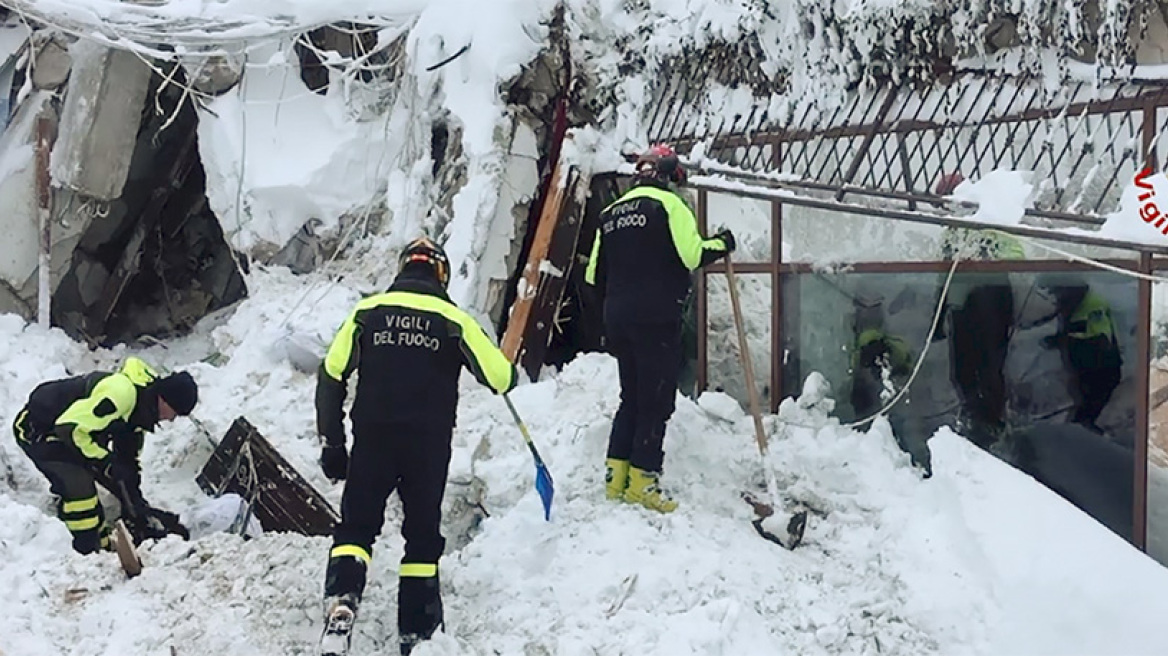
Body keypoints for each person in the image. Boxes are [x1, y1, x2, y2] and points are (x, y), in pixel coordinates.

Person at [314, 236, 517, 656]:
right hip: (427, 443)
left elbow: (331, 374)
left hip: (373, 436)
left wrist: (332, 441)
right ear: (440, 273)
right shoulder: (452, 318)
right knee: (422, 536)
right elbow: (498, 376)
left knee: (356, 528)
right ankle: (418, 633)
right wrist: (510, 378)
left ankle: (343, 603)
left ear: (402, 269)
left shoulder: (367, 312)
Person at [584, 143, 734, 513]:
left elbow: (592, 276)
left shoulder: (610, 213)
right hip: (655, 319)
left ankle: (615, 478)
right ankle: (644, 482)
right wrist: (723, 243)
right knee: (656, 401)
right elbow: (693, 254)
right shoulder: (669, 205)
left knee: (630, 397)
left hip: (617, 318)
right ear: (668, 177)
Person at [11, 357, 197, 554]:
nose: (172, 419)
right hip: (39, 429)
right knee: (80, 485)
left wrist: (137, 505)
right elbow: (69, 429)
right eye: (175, 412)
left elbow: (126, 460)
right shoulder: (121, 395)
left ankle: (118, 532)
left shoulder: (142, 407)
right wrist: (105, 462)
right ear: (165, 399)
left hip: (79, 432)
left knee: (116, 476)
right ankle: (89, 548)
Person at [1032, 278, 1122, 433]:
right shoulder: (1076, 301)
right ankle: (1082, 426)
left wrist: (1056, 340)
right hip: (1091, 360)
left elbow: (1091, 334)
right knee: (1086, 398)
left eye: (1057, 292)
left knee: (1091, 398)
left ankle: (1082, 428)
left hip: (1099, 361)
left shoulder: (1091, 304)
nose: (1056, 298)